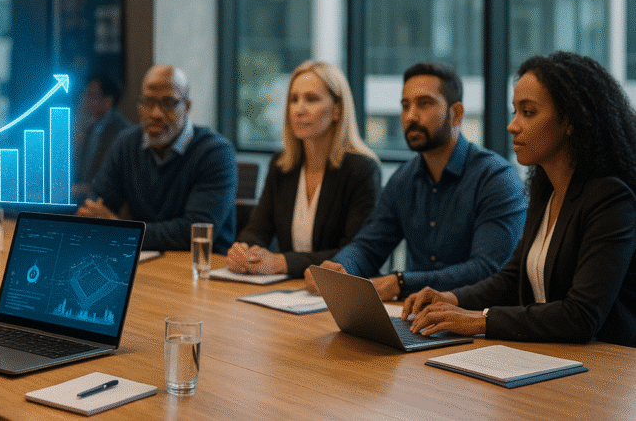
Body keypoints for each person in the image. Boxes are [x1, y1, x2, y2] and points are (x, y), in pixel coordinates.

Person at [403, 53, 636, 346]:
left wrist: (480, 320)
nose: (513, 126)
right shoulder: (546, 190)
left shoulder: (610, 198)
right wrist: (450, 298)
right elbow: (512, 279)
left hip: (606, 367)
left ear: (570, 121)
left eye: (528, 112)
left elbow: (581, 316)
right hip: (554, 355)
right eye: (515, 111)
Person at [305, 62, 527, 300]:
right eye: (405, 105)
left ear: (457, 113)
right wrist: (340, 267)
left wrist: (401, 283)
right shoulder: (404, 179)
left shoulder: (496, 178)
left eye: (424, 104)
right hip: (415, 316)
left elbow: (486, 269)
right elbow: (369, 246)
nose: (410, 116)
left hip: (473, 319)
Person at [226, 61, 381, 278]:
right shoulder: (282, 165)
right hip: (287, 291)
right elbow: (256, 230)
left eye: (311, 99)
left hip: (337, 293)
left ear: (337, 109)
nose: (299, 110)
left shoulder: (361, 170)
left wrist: (282, 262)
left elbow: (354, 252)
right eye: (293, 99)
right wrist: (243, 250)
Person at [77, 64, 237, 252]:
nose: (156, 113)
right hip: (148, 261)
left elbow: (194, 231)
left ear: (187, 107)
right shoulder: (126, 144)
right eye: (148, 102)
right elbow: (95, 207)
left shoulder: (215, 152)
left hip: (203, 269)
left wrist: (121, 230)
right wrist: (102, 220)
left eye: (168, 103)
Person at [71, 73, 132, 202]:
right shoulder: (90, 129)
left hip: (106, 204)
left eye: (92, 96)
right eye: (86, 95)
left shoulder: (123, 133)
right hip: (83, 201)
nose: (86, 100)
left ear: (108, 100)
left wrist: (82, 189)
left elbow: (118, 181)